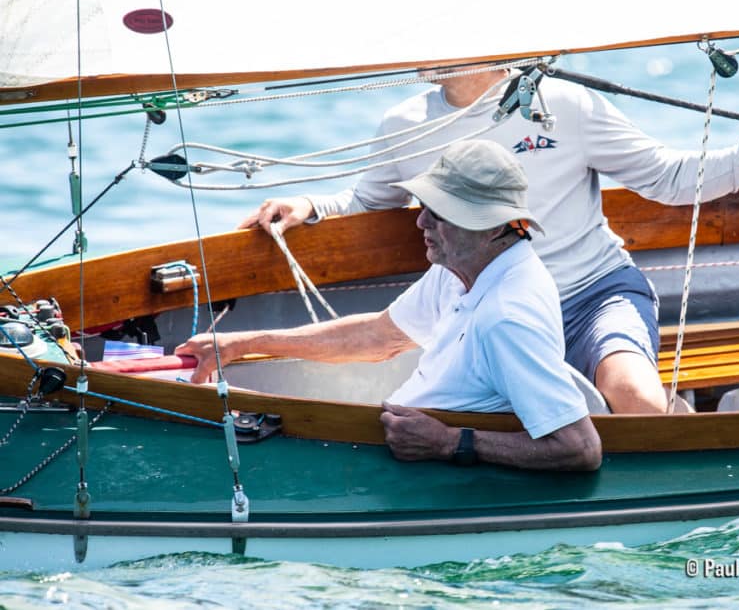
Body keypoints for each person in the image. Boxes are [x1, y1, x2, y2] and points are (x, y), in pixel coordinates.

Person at [241, 66, 739, 413]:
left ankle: (685, 466)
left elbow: (668, 177)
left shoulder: (566, 105)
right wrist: (309, 206)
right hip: (491, 304)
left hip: (595, 293)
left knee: (633, 399)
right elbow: (373, 200)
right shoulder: (405, 124)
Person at [179, 140, 602, 471]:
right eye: (424, 208)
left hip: (421, 471)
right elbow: (377, 337)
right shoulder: (462, 267)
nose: (420, 223)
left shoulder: (507, 318)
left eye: (439, 214)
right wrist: (238, 344)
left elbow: (579, 449)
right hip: (399, 451)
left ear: (490, 226)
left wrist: (451, 444)